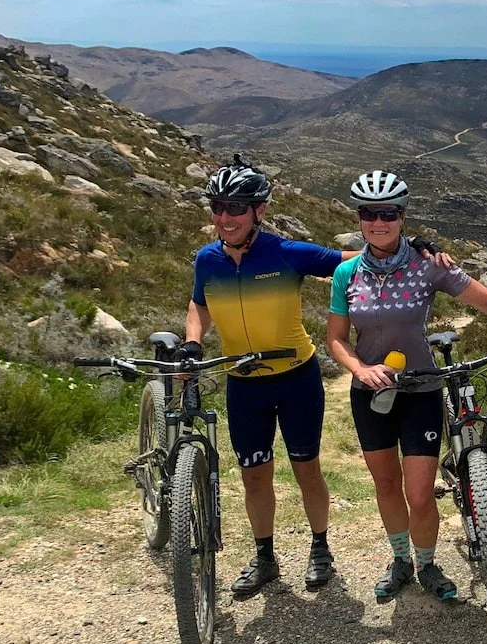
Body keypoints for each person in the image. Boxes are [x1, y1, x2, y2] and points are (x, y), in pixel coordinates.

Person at [181, 156, 443, 597]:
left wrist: (414, 247)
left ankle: (320, 547)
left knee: (307, 469)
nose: (225, 217)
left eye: (237, 208)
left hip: (295, 377)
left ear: (258, 211)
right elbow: (199, 305)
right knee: (254, 475)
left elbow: (356, 258)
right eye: (219, 207)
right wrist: (193, 341)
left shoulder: (287, 253)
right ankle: (264, 556)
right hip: (242, 382)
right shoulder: (207, 260)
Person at [326, 170, 487, 600]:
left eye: (388, 213)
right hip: (369, 394)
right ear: (359, 217)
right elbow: (335, 339)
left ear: (402, 215)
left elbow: (484, 299)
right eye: (370, 214)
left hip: (422, 391)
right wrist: (358, 369)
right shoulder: (347, 273)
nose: (379, 222)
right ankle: (400, 561)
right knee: (386, 486)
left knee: (419, 491)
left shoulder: (428, 265)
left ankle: (426, 563)